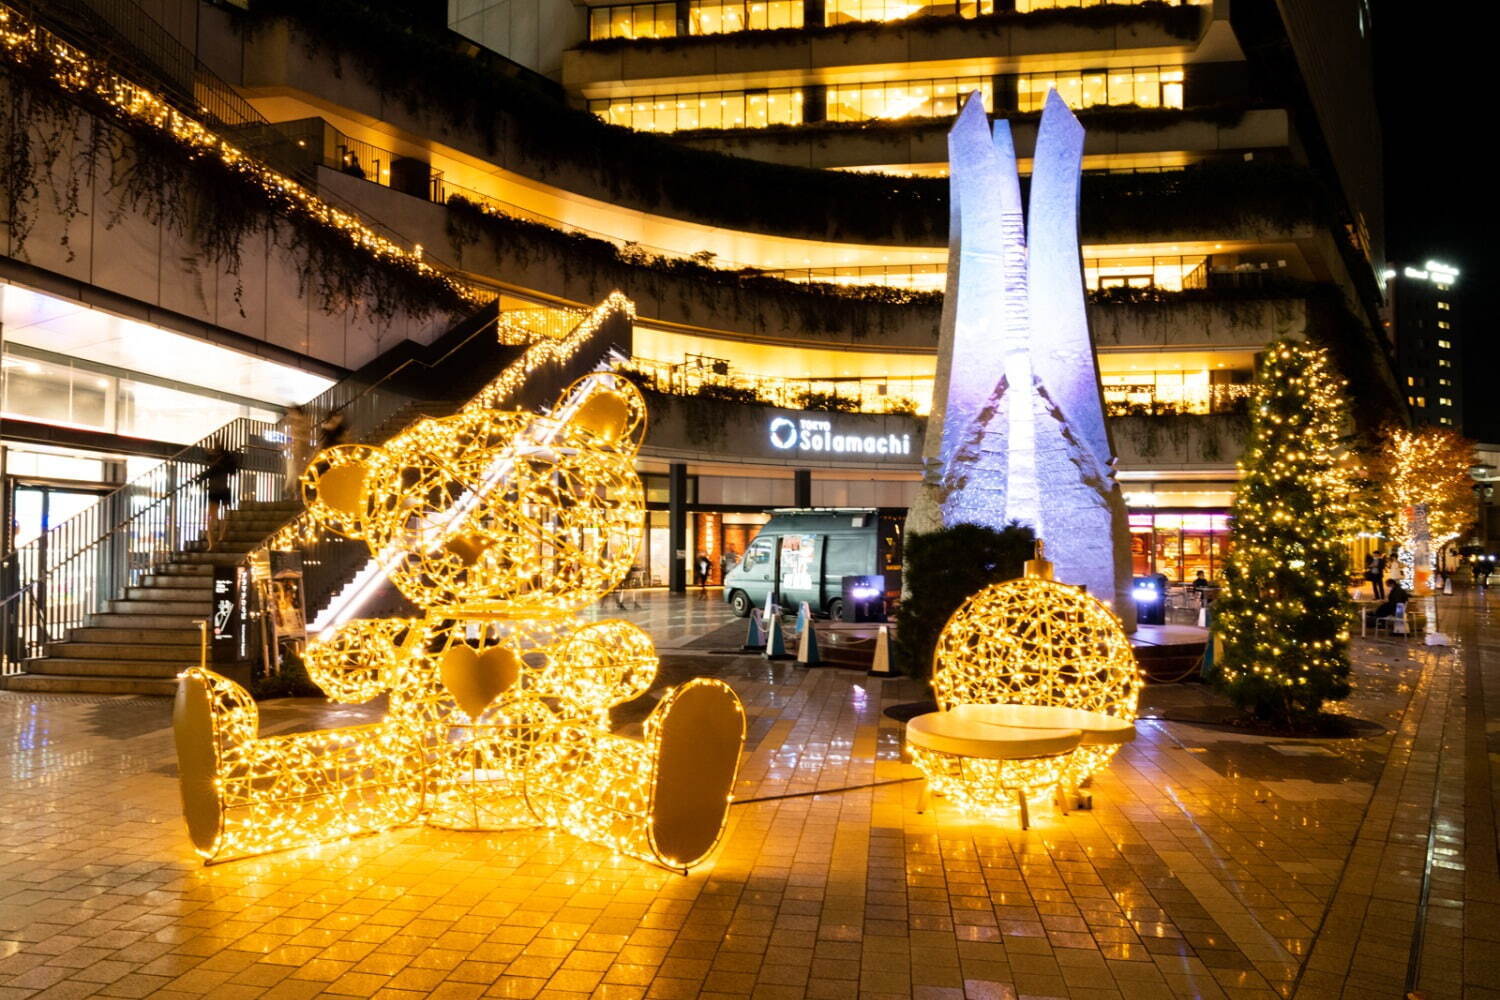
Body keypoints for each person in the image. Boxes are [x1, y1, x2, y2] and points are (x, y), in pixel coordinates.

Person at [201, 441, 241, 551]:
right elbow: (233, 470)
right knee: (217, 516)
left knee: (213, 517)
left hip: (217, 491)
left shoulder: (218, 463)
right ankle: (217, 539)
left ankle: (216, 540)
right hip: (220, 490)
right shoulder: (224, 461)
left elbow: (206, 475)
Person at [284, 405, 312, 499]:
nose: (290, 414)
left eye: (292, 412)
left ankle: (298, 493)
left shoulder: (303, 422)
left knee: (299, 471)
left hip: (301, 450)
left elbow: (306, 437)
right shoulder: (295, 423)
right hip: (296, 451)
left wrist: (297, 439)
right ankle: (293, 492)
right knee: (294, 471)